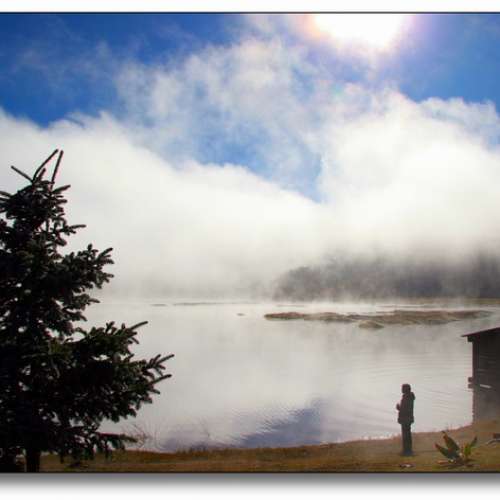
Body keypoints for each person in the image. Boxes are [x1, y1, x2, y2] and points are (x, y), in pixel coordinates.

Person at [396, 383, 415, 456]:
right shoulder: (409, 397)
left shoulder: (407, 397)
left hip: (406, 419)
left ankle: (406, 451)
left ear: (406, 389)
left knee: (406, 436)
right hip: (408, 418)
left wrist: (399, 408)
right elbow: (406, 408)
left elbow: (405, 409)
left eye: (402, 388)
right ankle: (407, 450)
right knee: (407, 435)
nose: (401, 389)